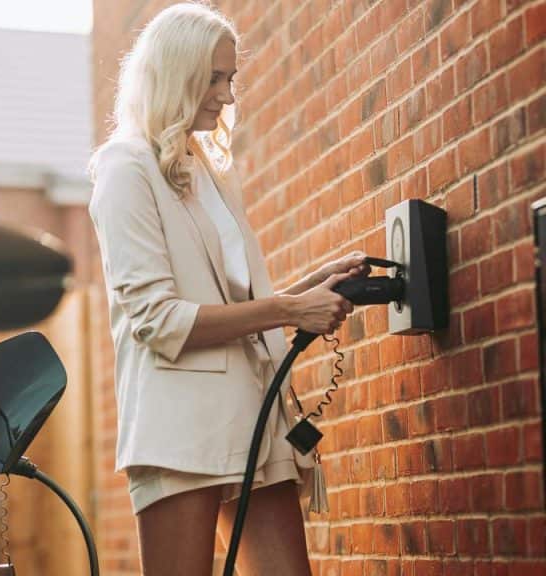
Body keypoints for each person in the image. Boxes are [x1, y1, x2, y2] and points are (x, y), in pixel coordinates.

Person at [88, 3, 370, 575]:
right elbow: (159, 319)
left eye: (230, 78)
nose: (227, 96)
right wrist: (292, 308)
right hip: (179, 431)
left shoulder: (204, 171)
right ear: (176, 73)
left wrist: (313, 286)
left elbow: (234, 307)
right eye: (216, 78)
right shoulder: (126, 168)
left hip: (252, 417)